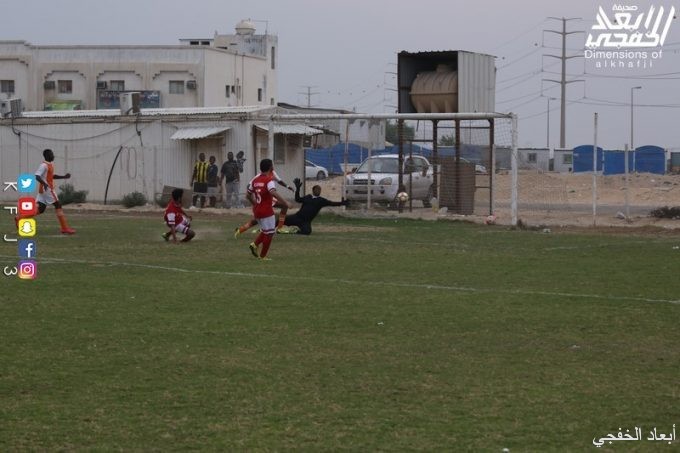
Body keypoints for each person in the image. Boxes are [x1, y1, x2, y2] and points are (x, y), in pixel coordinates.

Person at [17, 148, 76, 235]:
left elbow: (52, 176)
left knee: (41, 209)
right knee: (58, 205)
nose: (53, 156)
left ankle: (20, 218)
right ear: (47, 156)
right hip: (47, 189)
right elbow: (37, 176)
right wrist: (44, 184)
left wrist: (64, 177)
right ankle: (64, 228)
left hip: (43, 190)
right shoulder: (43, 165)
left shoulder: (50, 164)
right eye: (52, 154)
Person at [246, 158, 289, 260]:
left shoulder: (255, 180)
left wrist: (255, 204)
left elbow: (247, 195)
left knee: (265, 231)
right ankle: (263, 256)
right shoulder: (269, 180)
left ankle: (254, 245)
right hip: (266, 211)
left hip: (257, 211)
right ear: (270, 168)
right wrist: (285, 202)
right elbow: (273, 192)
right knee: (269, 233)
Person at [234, 170, 294, 236]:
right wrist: (254, 198)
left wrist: (288, 186)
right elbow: (249, 186)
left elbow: (279, 181)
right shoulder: (259, 176)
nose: (272, 167)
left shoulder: (273, 173)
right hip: (265, 199)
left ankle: (241, 230)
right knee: (283, 206)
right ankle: (278, 228)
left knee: (258, 218)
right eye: (271, 165)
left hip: (267, 198)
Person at [281, 177, 347, 235]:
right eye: (317, 189)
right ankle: (276, 229)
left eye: (319, 190)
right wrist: (298, 189)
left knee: (307, 231)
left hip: (306, 221)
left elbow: (331, 203)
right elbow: (298, 199)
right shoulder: (308, 197)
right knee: (280, 221)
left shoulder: (321, 200)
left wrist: (342, 203)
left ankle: (294, 231)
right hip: (297, 217)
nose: (318, 191)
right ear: (313, 190)